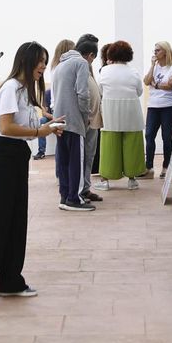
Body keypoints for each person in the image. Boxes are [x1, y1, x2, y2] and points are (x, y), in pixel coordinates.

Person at [0, 42, 62, 303]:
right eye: (39, 61)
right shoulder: (10, 87)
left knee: (16, 220)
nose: (42, 66)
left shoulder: (25, 91)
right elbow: (6, 127)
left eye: (44, 61)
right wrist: (39, 132)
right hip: (0, 154)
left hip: (17, 153)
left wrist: (48, 125)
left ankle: (10, 281)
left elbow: (23, 125)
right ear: (26, 61)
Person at [51, 35, 96, 211]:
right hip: (74, 120)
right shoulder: (81, 63)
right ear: (90, 55)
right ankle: (74, 199)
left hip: (59, 120)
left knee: (64, 161)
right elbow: (83, 93)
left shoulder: (60, 65)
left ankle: (65, 197)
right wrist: (86, 116)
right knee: (76, 161)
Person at [96, 41, 146, 189]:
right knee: (132, 145)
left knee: (109, 146)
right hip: (131, 111)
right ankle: (132, 180)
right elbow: (139, 91)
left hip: (111, 112)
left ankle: (105, 181)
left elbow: (100, 91)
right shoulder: (133, 72)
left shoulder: (104, 71)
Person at [143, 40, 172, 177]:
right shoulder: (155, 66)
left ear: (165, 51)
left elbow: (170, 86)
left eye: (158, 50)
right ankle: (149, 167)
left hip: (168, 106)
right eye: (155, 50)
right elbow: (146, 81)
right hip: (153, 105)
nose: (155, 52)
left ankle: (166, 167)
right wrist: (152, 65)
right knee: (149, 135)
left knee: (166, 136)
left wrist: (156, 85)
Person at [80, 33, 103, 203]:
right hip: (85, 119)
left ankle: (86, 188)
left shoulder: (87, 67)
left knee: (89, 156)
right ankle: (80, 190)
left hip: (92, 119)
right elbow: (81, 93)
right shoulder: (79, 66)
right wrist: (85, 114)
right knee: (82, 157)